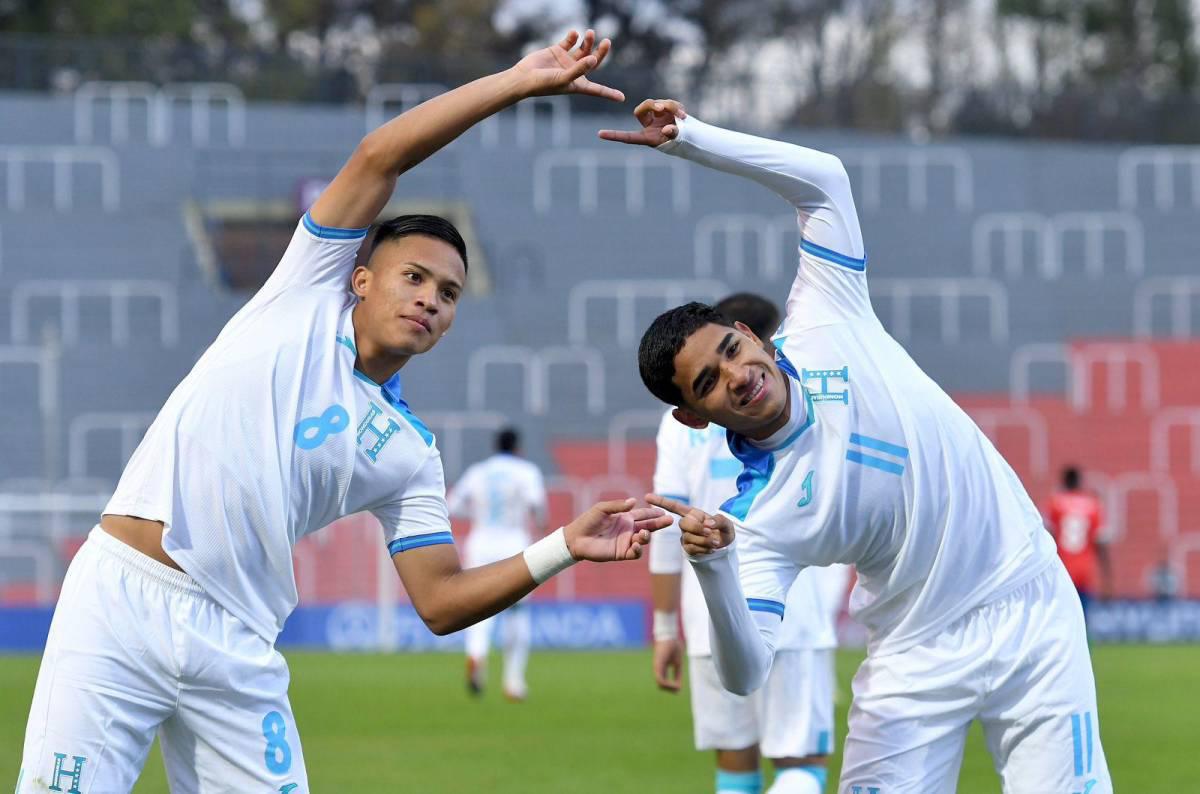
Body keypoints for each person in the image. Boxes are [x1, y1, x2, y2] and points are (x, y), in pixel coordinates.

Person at [17, 32, 671, 794]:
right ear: (360, 279)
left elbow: (440, 601)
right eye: (414, 277)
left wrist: (563, 545)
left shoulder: (410, 453)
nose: (430, 298)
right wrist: (514, 84)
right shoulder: (303, 292)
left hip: (237, 642)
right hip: (120, 601)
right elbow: (379, 156)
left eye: (449, 293)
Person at [603, 99, 1112, 793]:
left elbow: (825, 180)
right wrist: (715, 567)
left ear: (750, 335)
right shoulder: (756, 519)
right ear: (693, 418)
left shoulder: (827, 312)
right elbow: (746, 672)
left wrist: (692, 139)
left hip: (1027, 600)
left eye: (730, 350)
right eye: (709, 383)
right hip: (911, 655)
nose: (737, 376)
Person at [650, 292, 840, 794]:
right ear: (764, 336)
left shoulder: (679, 425)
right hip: (792, 611)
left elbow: (666, 526)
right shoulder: (800, 392)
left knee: (735, 770)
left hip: (711, 619)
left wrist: (665, 628)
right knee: (802, 765)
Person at [448, 427, 547, 701]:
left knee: (478, 608)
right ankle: (514, 682)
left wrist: (475, 513)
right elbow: (537, 505)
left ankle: (476, 655)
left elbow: (452, 505)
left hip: (481, 543)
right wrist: (540, 522)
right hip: (513, 543)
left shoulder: (477, 471)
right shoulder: (527, 472)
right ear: (518, 448)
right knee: (517, 612)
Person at [1046, 465, 1112, 622]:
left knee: (1061, 620)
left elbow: (1048, 538)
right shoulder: (1093, 505)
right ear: (1079, 482)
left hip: (1061, 570)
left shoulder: (1055, 503)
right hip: (1084, 572)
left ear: (1064, 482)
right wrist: (1107, 578)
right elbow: (1100, 544)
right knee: (1082, 621)